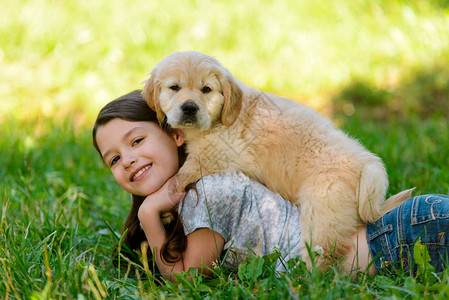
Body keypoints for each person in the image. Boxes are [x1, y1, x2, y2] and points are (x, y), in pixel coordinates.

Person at [92, 90, 449, 282]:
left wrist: (150, 216)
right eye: (113, 159)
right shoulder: (202, 188)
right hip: (397, 235)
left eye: (136, 141)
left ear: (176, 132)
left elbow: (185, 280)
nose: (127, 159)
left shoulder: (210, 192)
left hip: (395, 242)